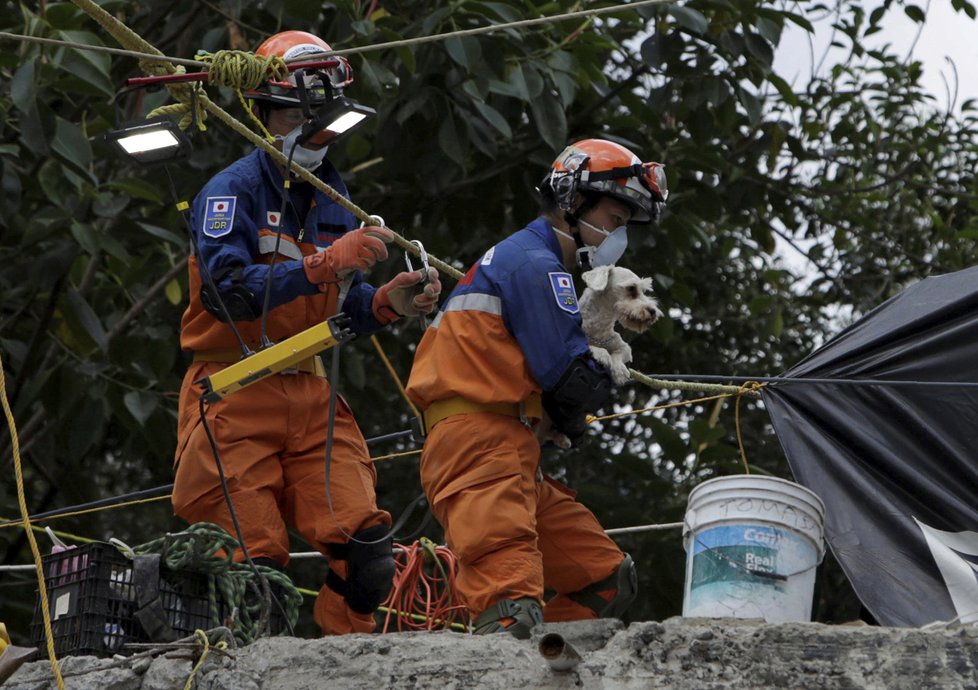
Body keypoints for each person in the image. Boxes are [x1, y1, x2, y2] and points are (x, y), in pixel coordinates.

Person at [171, 30, 441, 636]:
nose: (312, 126)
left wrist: (389, 303)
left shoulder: (333, 197)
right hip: (234, 389)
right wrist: (324, 263)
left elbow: (338, 304)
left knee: (369, 550)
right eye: (296, 112)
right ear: (264, 112)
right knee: (251, 564)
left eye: (320, 113)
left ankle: (343, 658)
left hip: (310, 390)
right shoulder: (231, 191)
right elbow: (229, 293)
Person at [405, 138, 667, 638]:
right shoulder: (534, 264)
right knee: (510, 609)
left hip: (511, 444)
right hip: (479, 446)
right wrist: (574, 410)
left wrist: (560, 414)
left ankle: (544, 658)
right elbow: (569, 379)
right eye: (614, 219)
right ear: (572, 201)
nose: (617, 236)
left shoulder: (535, 265)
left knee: (607, 580)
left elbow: (557, 381)